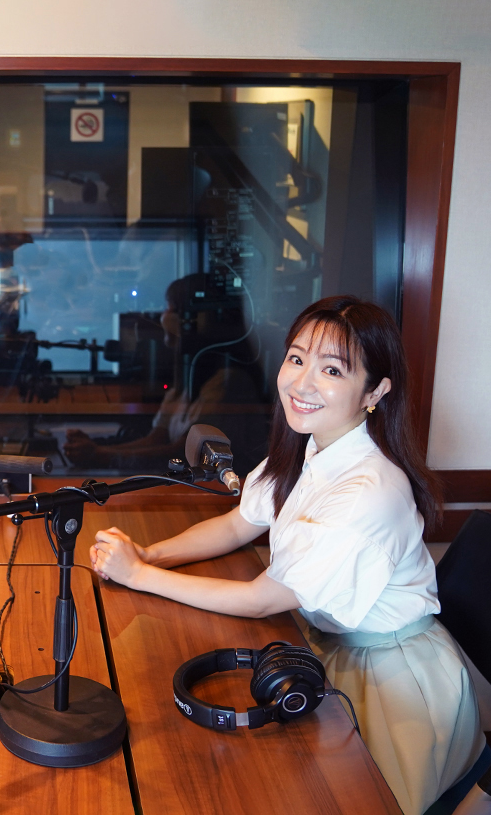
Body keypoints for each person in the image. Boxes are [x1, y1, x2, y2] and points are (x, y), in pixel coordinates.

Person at [90, 296, 484, 815]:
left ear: (376, 391)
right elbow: (238, 523)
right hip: (326, 643)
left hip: (393, 679)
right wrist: (152, 554)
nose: (301, 383)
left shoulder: (369, 490)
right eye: (296, 359)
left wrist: (139, 575)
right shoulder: (309, 445)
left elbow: (262, 599)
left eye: (332, 370)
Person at [65, 273, 265, 475]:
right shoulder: (185, 385)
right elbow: (156, 439)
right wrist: (96, 448)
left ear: (195, 319)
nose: (163, 315)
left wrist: (100, 455)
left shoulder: (228, 383)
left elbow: (181, 453)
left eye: (170, 308)